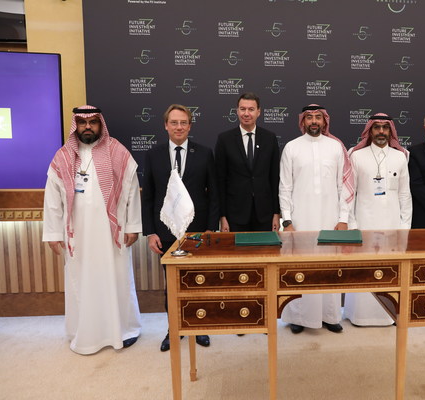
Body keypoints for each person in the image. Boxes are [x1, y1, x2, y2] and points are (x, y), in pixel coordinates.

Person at [43, 105, 142, 354]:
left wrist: (132, 226)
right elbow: (52, 200)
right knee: (81, 280)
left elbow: (132, 190)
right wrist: (53, 234)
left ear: (100, 124)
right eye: (83, 122)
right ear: (76, 125)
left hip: (112, 234)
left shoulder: (117, 151)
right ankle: (83, 331)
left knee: (117, 279)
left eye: (93, 122)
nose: (88, 127)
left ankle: (123, 330)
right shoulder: (63, 157)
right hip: (78, 234)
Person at [142, 104, 219, 351]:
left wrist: (211, 229)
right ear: (166, 125)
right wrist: (150, 232)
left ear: (190, 126)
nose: (179, 127)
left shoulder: (205, 153)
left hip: (198, 230)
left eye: (183, 122)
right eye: (174, 122)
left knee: (199, 282)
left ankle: (200, 327)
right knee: (173, 284)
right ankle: (174, 328)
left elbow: (214, 194)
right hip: (165, 231)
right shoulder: (153, 155)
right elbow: (148, 196)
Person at [279, 104, 354, 334]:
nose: (314, 121)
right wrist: (287, 220)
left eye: (318, 117)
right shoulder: (292, 147)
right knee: (300, 267)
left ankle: (329, 316)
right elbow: (285, 187)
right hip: (300, 220)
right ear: (303, 121)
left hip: (329, 219)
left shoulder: (335, 147)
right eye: (309, 117)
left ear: (324, 121)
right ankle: (298, 317)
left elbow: (343, 187)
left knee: (328, 266)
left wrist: (343, 218)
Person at [344, 113, 411, 326]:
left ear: (391, 131)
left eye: (385, 127)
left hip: (392, 225)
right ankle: (360, 316)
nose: (381, 131)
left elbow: (404, 194)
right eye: (377, 127)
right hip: (364, 223)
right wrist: (352, 225)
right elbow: (349, 195)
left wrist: (404, 227)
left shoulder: (401, 157)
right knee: (364, 269)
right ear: (370, 130)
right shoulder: (356, 156)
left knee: (390, 270)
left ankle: (387, 315)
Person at [215, 92, 280, 233]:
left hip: (265, 215)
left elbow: (275, 178)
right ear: (237, 111)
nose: (246, 113)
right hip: (235, 215)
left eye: (251, 109)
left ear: (258, 112)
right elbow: (220, 181)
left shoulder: (270, 138)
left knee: (265, 248)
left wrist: (276, 213)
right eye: (242, 109)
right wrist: (222, 216)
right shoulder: (225, 139)